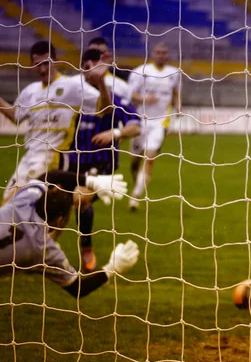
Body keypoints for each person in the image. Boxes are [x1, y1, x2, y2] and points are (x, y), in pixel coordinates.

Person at [0, 41, 113, 203]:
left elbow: (105, 110)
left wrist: (101, 82)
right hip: (29, 155)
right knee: (10, 205)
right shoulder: (30, 91)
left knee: (15, 203)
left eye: (47, 63)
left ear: (57, 60)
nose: (43, 69)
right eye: (38, 64)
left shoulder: (72, 86)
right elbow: (15, 116)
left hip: (53, 156)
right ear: (32, 65)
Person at [0, 170, 138, 298]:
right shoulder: (44, 250)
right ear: (60, 220)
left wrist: (89, 181)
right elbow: (78, 289)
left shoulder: (25, 199)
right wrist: (112, 268)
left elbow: (51, 175)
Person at [69, 48, 141, 272]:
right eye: (87, 66)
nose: (90, 71)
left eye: (95, 66)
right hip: (68, 164)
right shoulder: (70, 97)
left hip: (101, 167)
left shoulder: (114, 99)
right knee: (54, 208)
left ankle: (86, 246)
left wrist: (115, 134)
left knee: (80, 199)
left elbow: (136, 126)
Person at [127, 43, 181, 211]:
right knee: (135, 161)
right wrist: (144, 98)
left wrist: (178, 106)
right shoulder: (140, 71)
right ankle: (137, 181)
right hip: (140, 121)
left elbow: (176, 93)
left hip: (160, 122)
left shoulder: (174, 73)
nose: (161, 55)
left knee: (150, 157)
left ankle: (135, 196)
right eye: (158, 52)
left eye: (164, 52)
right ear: (152, 54)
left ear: (168, 55)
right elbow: (130, 94)